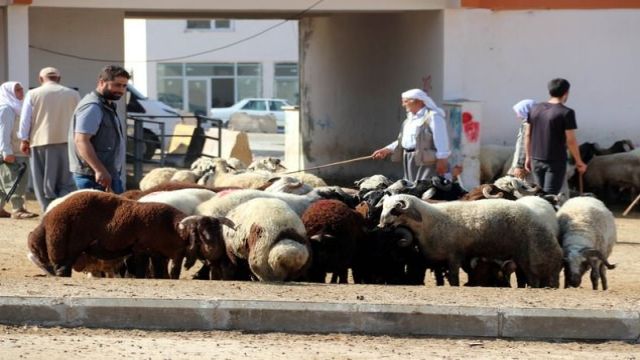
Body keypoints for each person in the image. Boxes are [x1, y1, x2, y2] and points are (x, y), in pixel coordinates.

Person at [18, 67, 81, 211]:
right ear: (59, 78)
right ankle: (63, 210)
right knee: (66, 181)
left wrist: (24, 139)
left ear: (40, 79)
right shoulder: (73, 94)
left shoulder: (33, 93)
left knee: (42, 183)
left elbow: (25, 119)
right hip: (68, 142)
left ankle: (48, 211)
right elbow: (80, 118)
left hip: (40, 142)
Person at [69, 65, 130, 194]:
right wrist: (99, 170)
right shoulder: (92, 107)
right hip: (94, 177)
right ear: (102, 82)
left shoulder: (107, 105)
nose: (121, 90)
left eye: (124, 86)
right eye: (117, 85)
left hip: (106, 174)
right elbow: (81, 141)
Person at [372, 88, 450, 182]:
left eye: (405, 101)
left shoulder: (433, 117)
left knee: (426, 187)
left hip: (426, 160)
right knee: (412, 187)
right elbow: (405, 141)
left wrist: (442, 160)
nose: (403, 104)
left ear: (417, 101)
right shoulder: (408, 120)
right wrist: (387, 149)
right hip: (409, 158)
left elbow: (441, 139)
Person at [524, 78, 587, 194]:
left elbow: (528, 134)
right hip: (555, 161)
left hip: (535, 158)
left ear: (549, 91)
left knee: (539, 194)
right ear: (566, 93)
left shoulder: (534, 109)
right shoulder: (566, 112)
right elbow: (571, 140)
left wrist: (528, 157)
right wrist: (579, 161)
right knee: (550, 196)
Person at [0, 82, 38, 219]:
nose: (21, 91)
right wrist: (6, 151)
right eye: (17, 90)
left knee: (4, 182)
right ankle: (18, 209)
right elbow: (3, 132)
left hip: (15, 150)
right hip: (11, 152)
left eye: (21, 89)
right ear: (8, 92)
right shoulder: (6, 108)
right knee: (15, 181)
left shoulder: (15, 107)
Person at [508, 99, 536, 180]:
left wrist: (519, 165)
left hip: (524, 166)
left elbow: (523, 146)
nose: (517, 115)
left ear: (526, 110)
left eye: (519, 112)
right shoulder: (539, 123)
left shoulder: (527, 125)